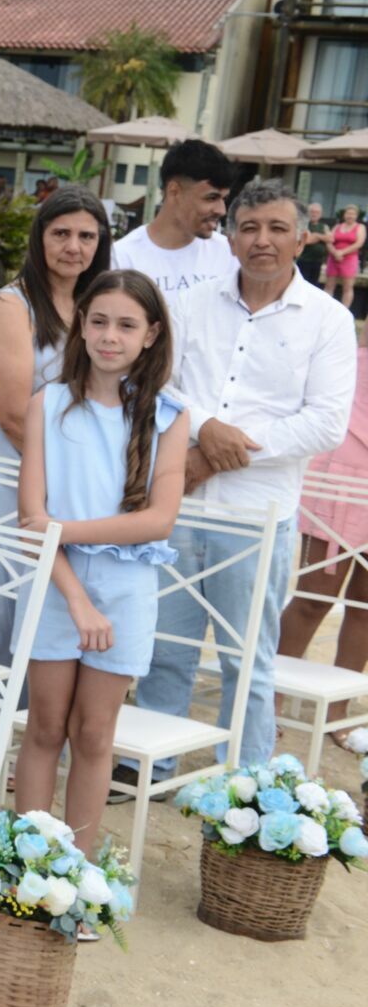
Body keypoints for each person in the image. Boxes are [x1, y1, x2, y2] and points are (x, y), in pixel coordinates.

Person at [132, 180, 355, 786]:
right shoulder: (191, 303)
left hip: (258, 516)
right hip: (180, 503)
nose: (262, 241)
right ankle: (151, 765)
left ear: (302, 238)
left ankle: (247, 788)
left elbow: (325, 422)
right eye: (249, 228)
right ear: (230, 238)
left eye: (277, 229)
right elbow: (156, 382)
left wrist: (228, 452)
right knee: (164, 647)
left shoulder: (330, 320)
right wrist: (206, 430)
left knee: (247, 661)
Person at [14, 270, 186, 869]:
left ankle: (74, 877)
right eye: (99, 321)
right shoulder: (49, 404)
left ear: (151, 334)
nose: (110, 336)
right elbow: (32, 518)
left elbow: (158, 520)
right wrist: (77, 598)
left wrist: (66, 530)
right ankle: (27, 870)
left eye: (127, 325)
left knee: (93, 734)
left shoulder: (169, 415)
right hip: (57, 585)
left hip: (128, 589)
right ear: (81, 326)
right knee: (44, 726)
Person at [0, 188, 112, 778]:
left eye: (86, 235)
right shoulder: (12, 306)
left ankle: (27, 742)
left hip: (74, 487)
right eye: (61, 232)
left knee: (44, 615)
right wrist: (59, 481)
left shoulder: (103, 306)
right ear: (40, 238)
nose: (73, 246)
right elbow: (15, 412)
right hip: (5, 477)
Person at [275, 319, 368, 746]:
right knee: (314, 596)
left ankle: (338, 712)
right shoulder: (351, 361)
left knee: (366, 607)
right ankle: (268, 695)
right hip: (340, 477)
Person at [110, 139, 235, 297]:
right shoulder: (123, 257)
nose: (221, 210)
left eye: (224, 199)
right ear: (174, 191)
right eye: (211, 198)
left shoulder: (230, 254)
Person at [326, 203, 363, 310]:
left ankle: (344, 312)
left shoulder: (360, 227)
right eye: (348, 213)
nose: (350, 216)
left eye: (352, 214)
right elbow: (329, 240)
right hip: (333, 258)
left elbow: (359, 243)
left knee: (347, 287)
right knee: (329, 286)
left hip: (350, 259)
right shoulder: (337, 226)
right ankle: (326, 310)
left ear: (356, 216)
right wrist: (334, 252)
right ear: (344, 215)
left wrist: (341, 252)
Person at [297, 200, 331, 284]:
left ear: (321, 214)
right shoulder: (304, 224)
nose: (314, 214)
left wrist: (316, 235)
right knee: (303, 283)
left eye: (317, 212)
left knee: (314, 284)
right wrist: (322, 237)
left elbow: (330, 239)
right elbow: (307, 240)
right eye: (312, 212)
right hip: (304, 260)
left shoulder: (324, 226)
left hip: (318, 261)